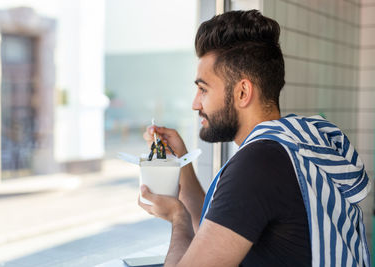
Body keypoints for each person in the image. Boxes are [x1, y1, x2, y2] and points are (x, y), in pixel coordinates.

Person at [140, 10, 371, 267]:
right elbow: (216, 232)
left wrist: (177, 219)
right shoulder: (291, 146)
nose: (196, 104)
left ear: (242, 92)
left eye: (203, 89)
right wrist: (180, 162)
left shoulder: (258, 165)